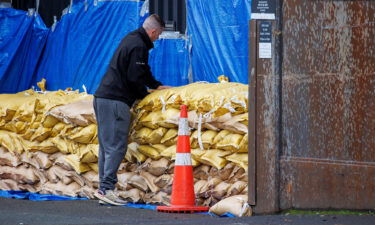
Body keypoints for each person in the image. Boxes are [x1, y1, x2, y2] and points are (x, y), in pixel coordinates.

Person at [93, 14, 170, 205]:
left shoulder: (132, 39)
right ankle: (106, 189)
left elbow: (142, 71)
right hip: (115, 101)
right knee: (116, 147)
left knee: (106, 147)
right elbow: (135, 77)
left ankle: (103, 189)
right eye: (159, 34)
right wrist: (145, 96)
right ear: (153, 31)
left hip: (102, 98)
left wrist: (155, 84)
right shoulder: (139, 45)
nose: (158, 38)